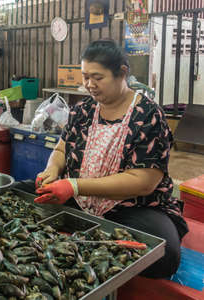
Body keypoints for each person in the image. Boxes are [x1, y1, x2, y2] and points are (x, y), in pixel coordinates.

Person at [35, 39, 188, 279]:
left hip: (131, 207)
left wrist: (74, 185)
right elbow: (62, 149)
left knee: (164, 255)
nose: (89, 85)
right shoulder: (82, 110)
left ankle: (86, 243)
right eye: (85, 76)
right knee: (21, 199)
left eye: (98, 77)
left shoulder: (149, 115)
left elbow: (143, 182)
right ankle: (89, 240)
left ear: (122, 73)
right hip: (78, 198)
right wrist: (51, 170)